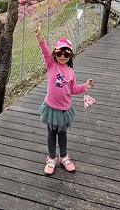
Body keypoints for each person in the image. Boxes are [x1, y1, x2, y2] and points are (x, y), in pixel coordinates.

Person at [34, 23, 94, 176]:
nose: (62, 56)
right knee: (51, 133)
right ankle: (51, 158)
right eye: (59, 52)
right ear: (55, 53)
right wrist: (40, 38)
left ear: (70, 56)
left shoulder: (70, 72)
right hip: (51, 108)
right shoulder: (51, 65)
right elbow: (44, 52)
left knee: (62, 134)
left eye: (66, 54)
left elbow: (72, 89)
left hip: (64, 109)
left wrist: (85, 87)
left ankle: (64, 157)